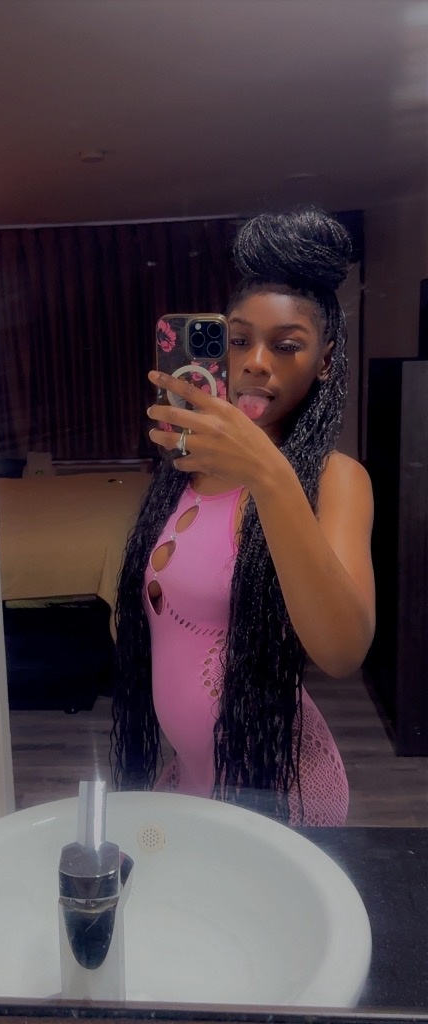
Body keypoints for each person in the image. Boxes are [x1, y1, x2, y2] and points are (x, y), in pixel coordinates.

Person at [111, 208, 375, 826]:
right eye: (237, 340)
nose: (255, 361)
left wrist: (269, 475)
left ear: (325, 360)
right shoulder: (187, 467)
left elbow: (342, 652)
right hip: (190, 780)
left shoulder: (333, 478)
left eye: (286, 345)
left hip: (279, 787)